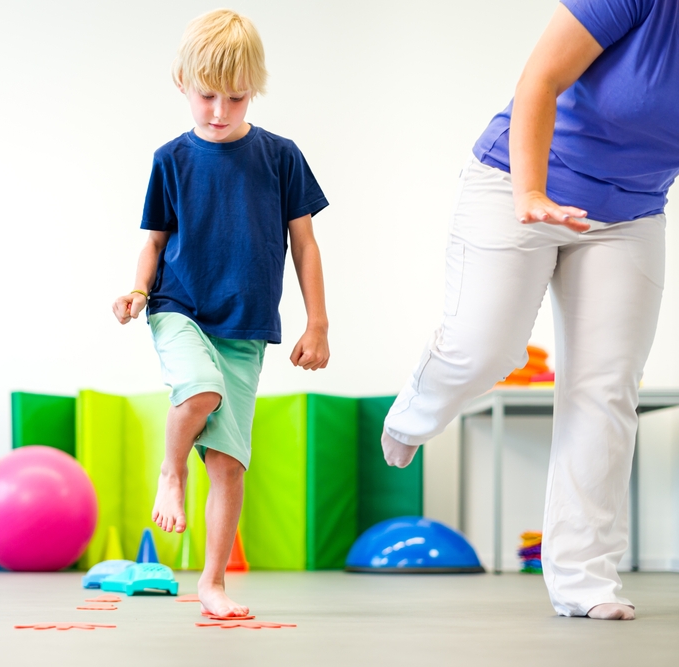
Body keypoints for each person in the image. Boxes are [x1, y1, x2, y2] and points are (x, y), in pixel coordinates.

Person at [381, 0, 679, 621]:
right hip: (519, 177)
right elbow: (538, 79)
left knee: (606, 386)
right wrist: (531, 192)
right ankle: (414, 412)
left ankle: (585, 581)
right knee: (482, 351)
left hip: (633, 212)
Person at [112, 9, 330, 618]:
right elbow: (154, 242)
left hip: (245, 325)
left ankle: (212, 584)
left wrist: (318, 323)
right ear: (181, 82)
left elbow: (305, 243)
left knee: (231, 465)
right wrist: (136, 291)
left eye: (235, 98)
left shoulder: (280, 157)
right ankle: (172, 471)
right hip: (179, 307)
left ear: (253, 89)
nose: (219, 111)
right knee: (200, 391)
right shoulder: (171, 160)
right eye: (207, 95)